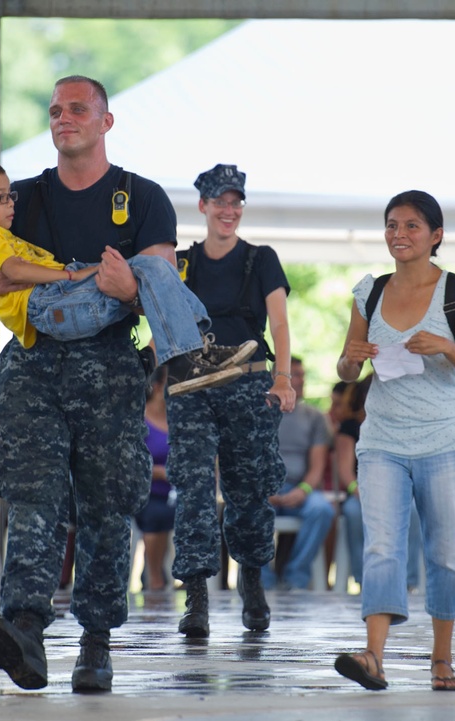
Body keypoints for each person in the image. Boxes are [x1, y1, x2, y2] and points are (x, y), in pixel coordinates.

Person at [0, 76, 172, 692]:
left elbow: (162, 289)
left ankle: (96, 642)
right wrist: (17, 278)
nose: (63, 118)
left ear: (106, 121)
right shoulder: (20, 200)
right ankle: (25, 626)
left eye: (77, 108)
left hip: (109, 367)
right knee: (33, 493)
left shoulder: (142, 198)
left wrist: (129, 290)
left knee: (107, 502)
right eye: (55, 110)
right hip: (32, 362)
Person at [333, 190, 455, 692]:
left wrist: (444, 345)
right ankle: (373, 656)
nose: (399, 234)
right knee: (382, 546)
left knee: (444, 551)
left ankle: (442, 658)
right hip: (382, 438)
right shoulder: (370, 291)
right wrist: (351, 359)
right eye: (392, 225)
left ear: (436, 235)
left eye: (412, 226)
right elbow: (346, 368)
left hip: (444, 440)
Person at [0, 158, 255, 396]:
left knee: (155, 267)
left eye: (9, 196)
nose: (10, 203)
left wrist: (90, 274)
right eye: (1, 198)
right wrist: (66, 275)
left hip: (66, 297)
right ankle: (185, 359)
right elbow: (13, 271)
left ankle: (192, 351)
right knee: (141, 277)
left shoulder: (141, 193)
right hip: (47, 306)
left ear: (106, 121)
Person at [169, 163, 295, 638]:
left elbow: (279, 323)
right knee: (194, 488)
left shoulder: (260, 259)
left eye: (236, 201)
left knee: (249, 489)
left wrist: (283, 379)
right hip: (191, 387)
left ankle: (252, 580)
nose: (229, 209)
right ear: (202, 205)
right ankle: (196, 595)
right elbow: (165, 321)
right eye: (220, 201)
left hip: (247, 383)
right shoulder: (181, 262)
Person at [337, 374, 424, 592]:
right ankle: (364, 579)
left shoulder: (402, 424)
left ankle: (407, 581)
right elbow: (345, 471)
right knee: (354, 513)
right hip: (360, 492)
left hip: (398, 492)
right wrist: (360, 491)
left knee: (414, 512)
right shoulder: (350, 427)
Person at [265, 357, 336, 590]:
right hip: (264, 491)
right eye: (295, 375)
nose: (302, 380)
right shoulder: (258, 413)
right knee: (247, 508)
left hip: (300, 490)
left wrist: (303, 490)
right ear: (277, 379)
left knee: (322, 509)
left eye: (302, 375)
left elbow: (317, 465)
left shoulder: (315, 417)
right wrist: (262, 491)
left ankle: (295, 579)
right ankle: (262, 582)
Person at [135, 365, 177, 591]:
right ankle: (154, 576)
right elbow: (131, 461)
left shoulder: (178, 418)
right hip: (147, 491)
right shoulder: (140, 419)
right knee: (157, 513)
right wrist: (160, 472)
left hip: (176, 492)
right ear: (159, 386)